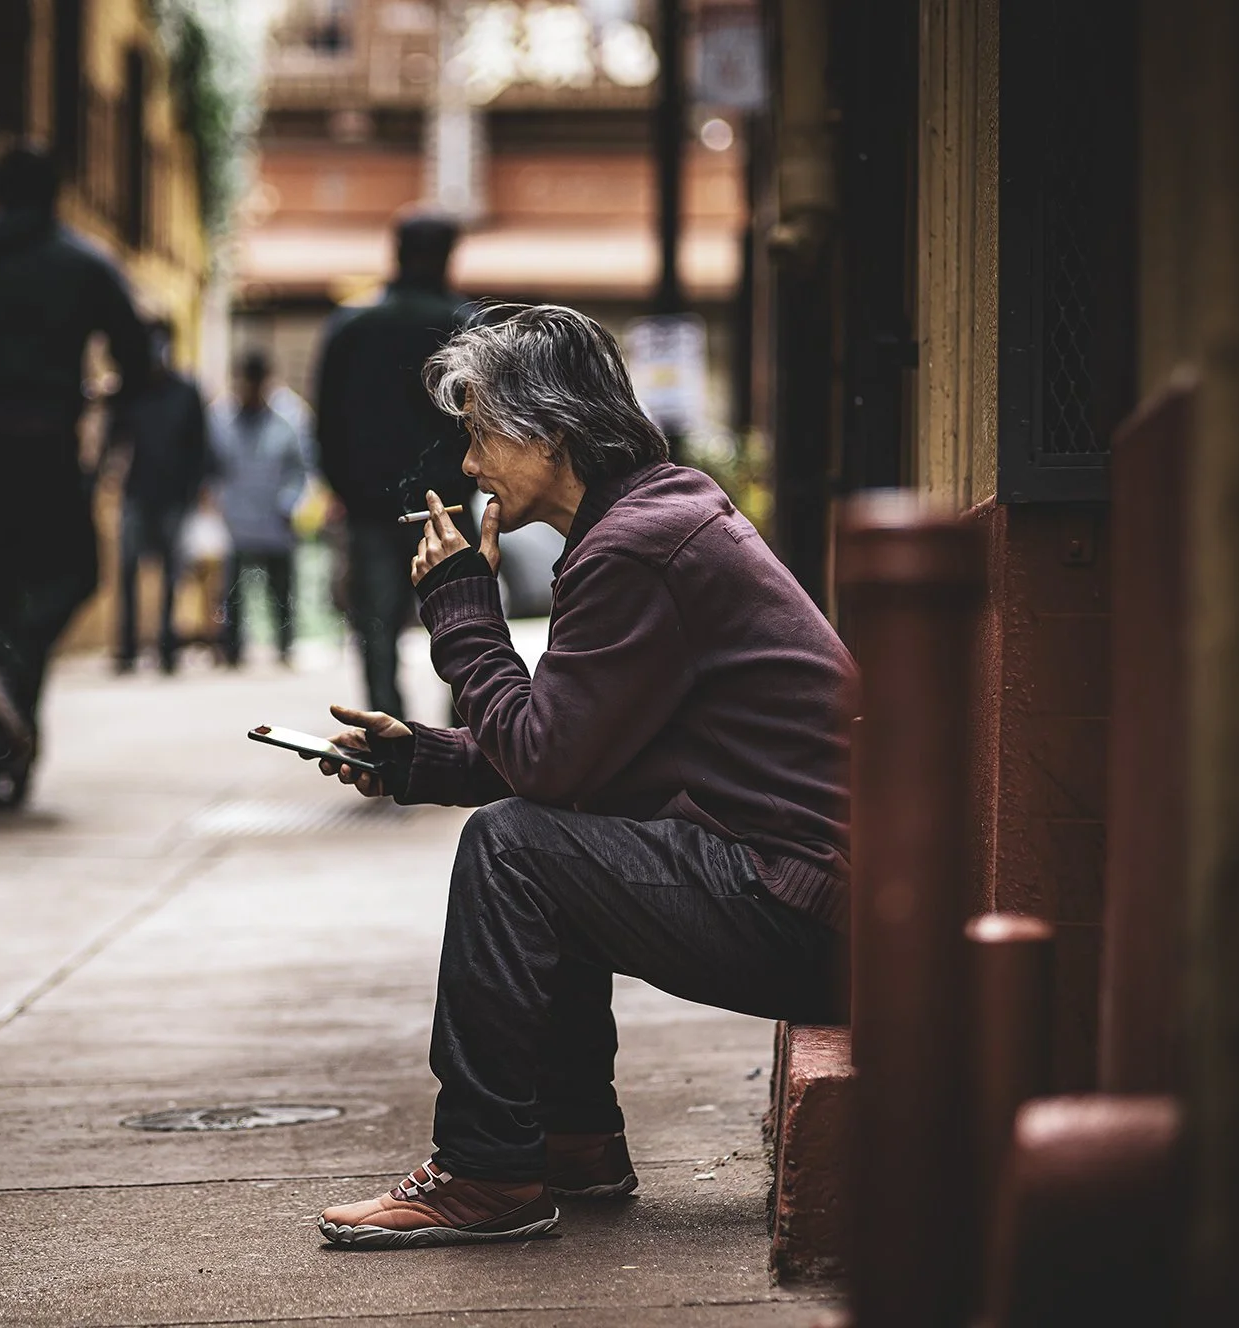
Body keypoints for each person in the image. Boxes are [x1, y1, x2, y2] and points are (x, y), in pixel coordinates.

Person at [307, 306, 856, 1248]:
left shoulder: (637, 548)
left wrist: (461, 612)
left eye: (481, 434)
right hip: (815, 898)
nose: (469, 466)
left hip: (803, 911)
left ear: (551, 432)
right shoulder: (654, 516)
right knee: (534, 830)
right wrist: (419, 758)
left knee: (511, 846)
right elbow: (584, 753)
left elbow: (552, 763)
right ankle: (573, 1140)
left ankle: (484, 1170)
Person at [0, 141, 146, 807]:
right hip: (43, 446)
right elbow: (136, 352)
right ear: (55, 194)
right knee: (70, 575)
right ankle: (9, 671)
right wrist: (102, 403)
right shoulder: (82, 262)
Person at [313, 214, 476, 718]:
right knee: (461, 619)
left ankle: (390, 740)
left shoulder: (351, 325)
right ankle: (465, 734)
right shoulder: (465, 326)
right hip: (447, 502)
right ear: (448, 255)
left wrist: (345, 487)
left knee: (376, 628)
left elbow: (325, 423)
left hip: (369, 504)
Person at [104, 318, 210, 675]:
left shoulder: (186, 392)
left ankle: (166, 648)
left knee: (170, 576)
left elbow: (199, 449)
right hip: (136, 493)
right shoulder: (131, 392)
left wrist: (194, 495)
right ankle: (128, 648)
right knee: (128, 570)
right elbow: (113, 440)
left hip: (174, 498)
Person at [210, 349, 312, 668]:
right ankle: (232, 648)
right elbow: (211, 467)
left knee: (280, 588)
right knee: (234, 592)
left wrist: (288, 502)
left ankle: (284, 645)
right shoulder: (220, 418)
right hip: (236, 520)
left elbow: (301, 468)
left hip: (274, 520)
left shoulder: (290, 417)